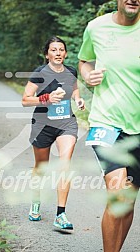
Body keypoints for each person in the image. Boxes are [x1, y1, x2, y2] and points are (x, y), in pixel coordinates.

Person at [78, 0, 140, 251]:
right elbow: (84, 60)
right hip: (107, 123)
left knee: (128, 202)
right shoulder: (96, 27)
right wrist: (87, 74)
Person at [22, 36, 85, 231]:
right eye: (53, 50)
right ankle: (35, 202)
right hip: (43, 125)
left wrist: (78, 99)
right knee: (41, 167)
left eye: (61, 50)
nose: (58, 53)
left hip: (66, 123)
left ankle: (61, 214)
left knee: (64, 165)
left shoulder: (71, 72)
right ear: (47, 54)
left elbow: (74, 89)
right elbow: (25, 100)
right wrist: (46, 98)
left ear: (65, 53)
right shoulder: (40, 73)